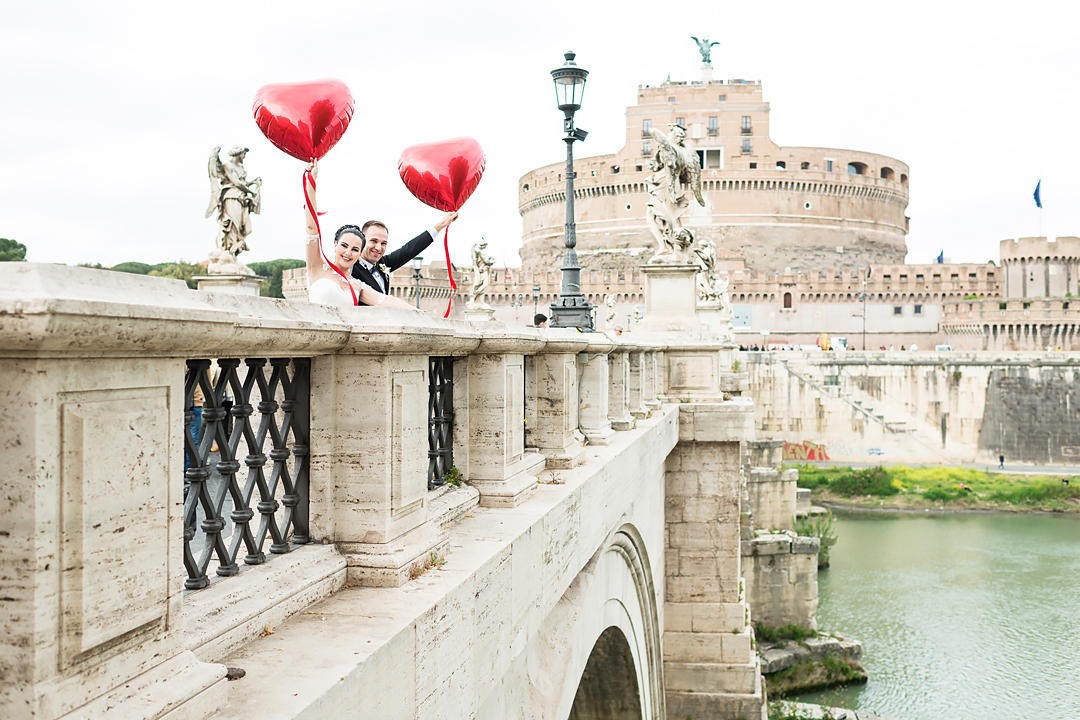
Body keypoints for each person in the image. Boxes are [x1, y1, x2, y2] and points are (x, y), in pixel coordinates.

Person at [303, 161, 416, 309]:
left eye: (355, 249)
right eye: (344, 246)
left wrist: (419, 312)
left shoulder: (357, 285)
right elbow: (312, 228)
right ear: (335, 244)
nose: (348, 253)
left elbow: (385, 300)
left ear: (359, 253)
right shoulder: (316, 266)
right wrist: (311, 182)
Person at [350, 213, 457, 303]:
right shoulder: (351, 268)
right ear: (362, 240)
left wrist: (441, 225)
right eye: (374, 241)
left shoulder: (383, 264)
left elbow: (410, 250)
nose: (378, 248)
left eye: (383, 243)